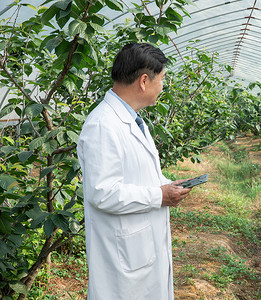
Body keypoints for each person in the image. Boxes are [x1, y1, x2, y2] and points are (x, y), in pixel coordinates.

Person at [77, 43, 192, 299]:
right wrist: (159, 196)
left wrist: (169, 185)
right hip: (123, 259)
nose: (162, 87)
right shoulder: (103, 125)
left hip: (140, 248)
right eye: (162, 80)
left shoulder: (134, 120)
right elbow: (102, 192)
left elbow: (140, 175)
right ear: (143, 81)